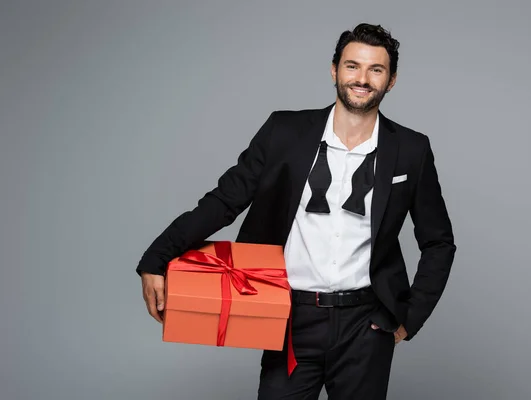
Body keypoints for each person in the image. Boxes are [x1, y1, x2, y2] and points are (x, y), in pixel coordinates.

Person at [136, 22, 456, 400]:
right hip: (290, 317)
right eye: (352, 66)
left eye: (376, 69)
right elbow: (224, 201)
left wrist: (408, 317)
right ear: (334, 69)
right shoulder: (283, 132)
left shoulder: (412, 150)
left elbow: (439, 242)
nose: (362, 78)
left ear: (392, 80)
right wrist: (157, 257)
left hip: (366, 324)